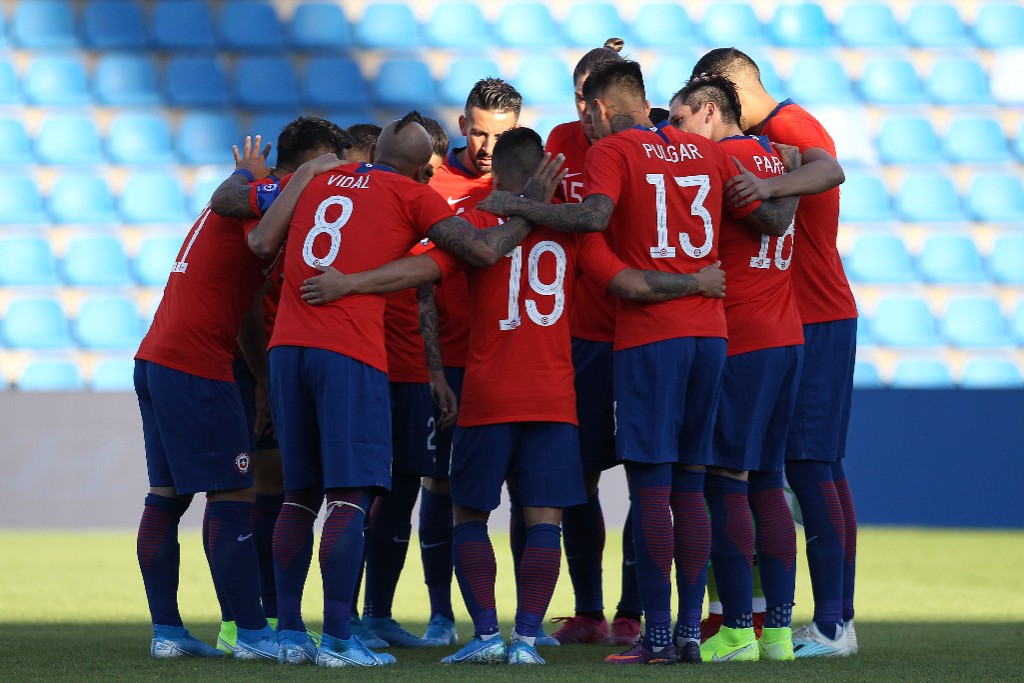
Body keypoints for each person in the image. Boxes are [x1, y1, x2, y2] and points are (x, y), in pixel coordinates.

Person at [298, 127, 727, 666]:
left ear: (496, 176)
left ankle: (483, 635)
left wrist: (352, 282)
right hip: (554, 399)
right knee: (545, 519)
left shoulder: (476, 222)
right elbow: (626, 283)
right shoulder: (573, 236)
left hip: (488, 394)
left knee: (469, 516)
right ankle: (525, 640)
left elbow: (422, 273)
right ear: (547, 171)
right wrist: (697, 283)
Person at [477, 60, 795, 665]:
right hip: (712, 334)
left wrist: (520, 206)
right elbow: (774, 218)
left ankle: (653, 638)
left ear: (596, 108)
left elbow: (594, 221)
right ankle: (690, 633)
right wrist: (795, 172)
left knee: (650, 488)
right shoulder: (706, 150)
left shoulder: (612, 151)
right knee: (694, 486)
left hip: (650, 338)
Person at [242, 111, 550, 668]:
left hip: (286, 347)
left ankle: (289, 633)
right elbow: (481, 251)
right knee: (349, 496)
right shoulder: (412, 195)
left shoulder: (314, 178)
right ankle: (337, 638)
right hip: (348, 353)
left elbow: (262, 240)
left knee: (297, 496)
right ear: (419, 169)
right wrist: (530, 205)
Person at [136, 117, 353, 661]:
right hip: (195, 365)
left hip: (158, 358)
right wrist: (295, 178)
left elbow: (248, 308)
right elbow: (248, 213)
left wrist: (259, 378)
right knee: (234, 495)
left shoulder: (253, 197)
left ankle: (167, 632)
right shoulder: (266, 196)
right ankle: (254, 634)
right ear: (309, 164)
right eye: (334, 165)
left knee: (167, 495)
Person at [690, 48, 857, 658]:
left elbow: (831, 169)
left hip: (811, 312)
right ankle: (828, 618)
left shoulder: (789, 126)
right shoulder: (766, 138)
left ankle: (835, 623)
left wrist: (769, 183)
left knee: (809, 466)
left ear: (729, 87)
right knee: (810, 467)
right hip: (806, 314)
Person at [669, 73, 803, 663]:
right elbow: (780, 218)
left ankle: (735, 631)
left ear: (705, 112)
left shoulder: (720, 159)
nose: (673, 134)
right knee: (769, 483)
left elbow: (769, 222)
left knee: (724, 484)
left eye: (677, 120)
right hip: (786, 333)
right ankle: (776, 634)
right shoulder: (773, 157)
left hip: (742, 337)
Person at [542, 37, 643, 647]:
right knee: (578, 476)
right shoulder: (561, 142)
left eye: (590, 99)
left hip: (640, 329)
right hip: (578, 335)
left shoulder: (658, 141)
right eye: (576, 96)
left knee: (644, 470)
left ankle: (633, 608)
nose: (582, 109)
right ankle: (587, 610)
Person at [361, 117, 458, 649]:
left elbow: (424, 300)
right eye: (427, 170)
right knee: (359, 493)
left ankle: (377, 614)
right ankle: (346, 616)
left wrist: (435, 372)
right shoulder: (381, 207)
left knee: (401, 497)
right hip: (369, 367)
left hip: (411, 375)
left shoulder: (424, 221)